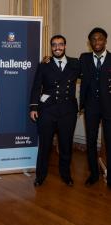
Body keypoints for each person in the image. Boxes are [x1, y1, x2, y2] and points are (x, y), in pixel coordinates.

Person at [30, 35, 80, 187]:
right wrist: (33, 107)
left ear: (65, 46)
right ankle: (40, 176)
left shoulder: (75, 63)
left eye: (60, 44)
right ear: (51, 47)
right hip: (47, 111)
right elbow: (37, 86)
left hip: (68, 111)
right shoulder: (44, 64)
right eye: (54, 45)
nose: (57, 47)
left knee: (66, 145)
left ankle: (66, 175)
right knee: (45, 146)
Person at [80, 27, 111, 187]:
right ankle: (93, 174)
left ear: (105, 41)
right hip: (91, 107)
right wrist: (48, 59)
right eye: (93, 39)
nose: (96, 42)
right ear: (89, 42)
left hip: (109, 108)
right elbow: (69, 67)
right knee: (90, 142)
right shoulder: (84, 58)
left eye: (100, 39)